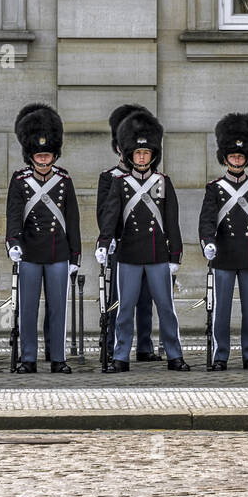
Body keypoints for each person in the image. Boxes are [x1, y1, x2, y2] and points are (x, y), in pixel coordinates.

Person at [96, 109, 188, 372]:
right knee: (125, 310)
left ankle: (175, 354)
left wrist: (175, 256)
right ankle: (121, 356)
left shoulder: (163, 182)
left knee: (166, 309)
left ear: (152, 155)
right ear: (130, 155)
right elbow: (110, 217)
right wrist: (104, 243)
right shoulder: (120, 183)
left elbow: (172, 222)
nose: (142, 157)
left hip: (158, 255)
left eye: (146, 153)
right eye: (137, 153)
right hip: (129, 256)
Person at [5, 103, 79, 374]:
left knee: (58, 309)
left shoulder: (63, 180)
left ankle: (58, 358)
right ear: (31, 156)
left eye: (48, 155)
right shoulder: (20, 180)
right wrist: (13, 243)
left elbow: (72, 220)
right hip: (30, 254)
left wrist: (75, 255)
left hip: (58, 253)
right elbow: (13, 215)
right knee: (27, 310)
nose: (44, 159)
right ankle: (28, 358)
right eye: (39, 155)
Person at [199, 112, 248, 371]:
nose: (237, 159)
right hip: (224, 257)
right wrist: (207, 241)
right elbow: (206, 220)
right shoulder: (215, 188)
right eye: (233, 156)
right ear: (225, 158)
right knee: (221, 311)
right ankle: (221, 355)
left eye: (241, 156)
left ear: (246, 158)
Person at [98, 104, 158, 362]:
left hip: (146, 245)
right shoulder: (109, 177)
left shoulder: (154, 178)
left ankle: (144, 345)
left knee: (146, 300)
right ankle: (110, 345)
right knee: (117, 301)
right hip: (120, 247)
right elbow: (104, 213)